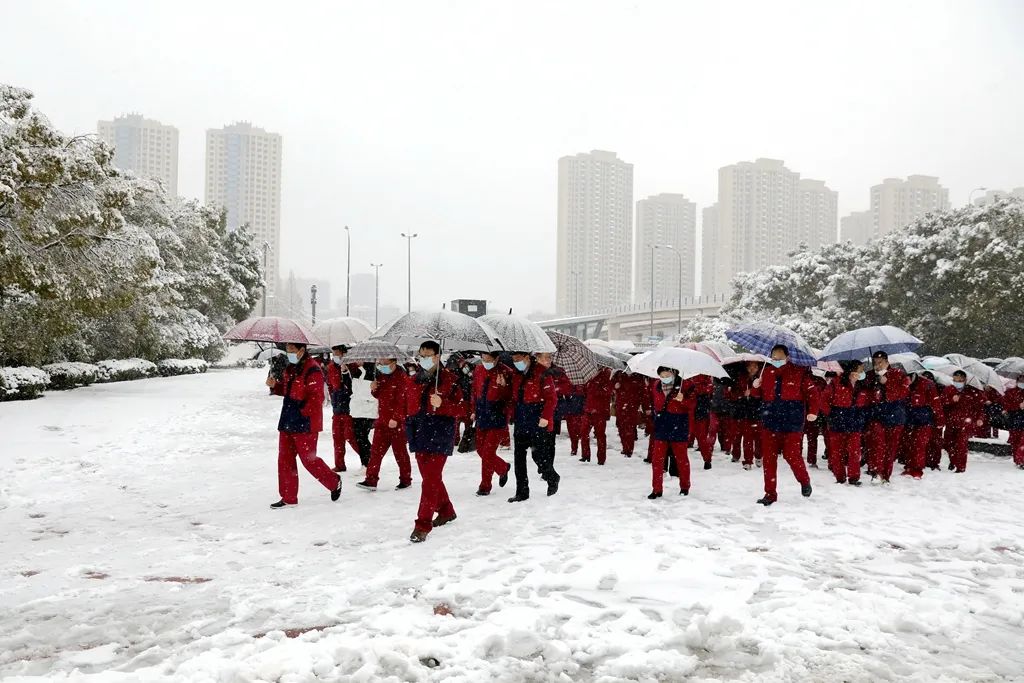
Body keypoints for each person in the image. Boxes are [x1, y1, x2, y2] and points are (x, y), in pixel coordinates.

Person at [265, 342, 342, 509]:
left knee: (309, 460)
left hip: (305, 423)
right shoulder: (290, 368)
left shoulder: (312, 369)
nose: (289, 353)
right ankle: (288, 497)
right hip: (287, 420)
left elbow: (316, 398)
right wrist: (275, 386)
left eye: (292, 350)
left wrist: (300, 409)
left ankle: (333, 481)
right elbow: (286, 390)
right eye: (287, 350)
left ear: (301, 350)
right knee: (285, 460)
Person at [405, 341, 466, 543]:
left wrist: (443, 404)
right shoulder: (414, 380)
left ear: (438, 356)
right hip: (419, 433)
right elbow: (410, 407)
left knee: (430, 481)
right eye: (420, 353)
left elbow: (463, 409)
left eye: (427, 354)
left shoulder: (450, 380)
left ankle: (422, 525)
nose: (423, 357)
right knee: (431, 478)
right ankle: (446, 510)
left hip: (440, 434)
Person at [751, 345, 819, 506]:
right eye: (774, 356)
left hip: (792, 420)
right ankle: (770, 493)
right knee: (769, 459)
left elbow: (812, 393)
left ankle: (804, 481)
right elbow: (757, 396)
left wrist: (813, 411)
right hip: (770, 419)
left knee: (791, 455)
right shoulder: (766, 372)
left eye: (780, 356)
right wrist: (755, 387)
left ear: (787, 357)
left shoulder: (799, 371)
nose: (776, 359)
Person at [508, 351, 559, 502]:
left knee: (538, 456)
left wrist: (545, 417)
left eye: (518, 359)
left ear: (526, 358)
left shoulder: (542, 373)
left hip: (537, 417)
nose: (516, 362)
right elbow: (514, 397)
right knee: (519, 458)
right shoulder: (515, 374)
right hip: (521, 418)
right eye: (513, 359)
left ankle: (552, 477)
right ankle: (522, 492)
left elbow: (552, 398)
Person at [358, 355, 412, 491]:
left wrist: (396, 418)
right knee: (376, 452)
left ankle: (405, 479)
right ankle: (371, 480)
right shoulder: (381, 376)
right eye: (380, 362)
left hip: (397, 423)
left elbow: (403, 401)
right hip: (382, 421)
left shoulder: (402, 378)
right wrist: (374, 388)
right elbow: (378, 395)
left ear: (393, 362)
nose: (381, 365)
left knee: (400, 453)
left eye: (384, 362)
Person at [818, 360, 869, 485]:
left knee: (854, 451)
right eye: (860, 369)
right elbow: (823, 400)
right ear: (852, 371)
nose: (862, 372)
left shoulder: (863, 385)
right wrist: (831, 415)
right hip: (837, 421)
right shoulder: (836, 383)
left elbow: (866, 403)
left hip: (855, 421)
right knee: (837, 451)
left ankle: (854, 477)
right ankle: (840, 477)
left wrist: (861, 415)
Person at [864, 351, 910, 483]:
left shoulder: (899, 375)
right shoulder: (870, 376)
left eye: (880, 362)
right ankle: (877, 472)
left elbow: (904, 393)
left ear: (887, 362)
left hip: (895, 416)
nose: (877, 365)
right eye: (875, 363)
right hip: (876, 416)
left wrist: (887, 383)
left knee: (890, 448)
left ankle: (885, 475)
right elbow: (866, 394)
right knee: (877, 445)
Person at [471, 350, 512, 496]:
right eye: (483, 359)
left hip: (498, 416)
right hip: (482, 414)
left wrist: (503, 387)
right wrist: (473, 409)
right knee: (480, 450)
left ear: (496, 359)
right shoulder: (478, 369)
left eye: (488, 359)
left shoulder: (506, 372)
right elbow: (474, 391)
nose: (485, 362)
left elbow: (510, 398)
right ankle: (502, 467)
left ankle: (485, 485)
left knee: (488, 452)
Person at [648, 367, 693, 499]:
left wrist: (683, 400)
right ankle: (656, 489)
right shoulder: (656, 385)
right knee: (657, 460)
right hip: (661, 425)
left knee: (681, 459)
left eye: (667, 374)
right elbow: (654, 402)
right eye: (662, 375)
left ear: (673, 373)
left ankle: (685, 486)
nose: (664, 377)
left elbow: (692, 405)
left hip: (678, 425)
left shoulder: (686, 385)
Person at [902, 371, 945, 479]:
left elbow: (936, 402)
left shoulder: (927, 384)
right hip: (908, 419)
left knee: (919, 445)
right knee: (909, 444)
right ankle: (909, 467)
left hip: (924, 420)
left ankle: (917, 470)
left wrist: (939, 419)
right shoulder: (903, 384)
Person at [325, 344, 362, 472]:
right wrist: (333, 397)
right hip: (337, 406)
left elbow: (355, 386)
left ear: (344, 353)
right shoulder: (330, 367)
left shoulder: (352, 366)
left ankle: (368, 459)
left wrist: (346, 372)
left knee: (350, 436)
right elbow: (330, 384)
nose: (335, 356)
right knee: (337, 437)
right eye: (333, 353)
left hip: (349, 407)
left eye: (337, 353)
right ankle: (340, 464)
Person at [941, 370, 984, 473]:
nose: (958, 381)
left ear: (965, 380)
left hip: (965, 423)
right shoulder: (948, 390)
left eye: (960, 380)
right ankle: (953, 460)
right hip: (951, 422)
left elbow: (979, 407)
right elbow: (941, 403)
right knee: (948, 444)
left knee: (961, 446)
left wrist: (980, 418)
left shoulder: (972, 392)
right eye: (955, 379)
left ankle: (961, 467)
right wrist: (951, 400)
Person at [729, 360, 764, 470]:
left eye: (755, 366)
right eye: (750, 366)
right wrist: (741, 394)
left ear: (759, 367)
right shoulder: (741, 378)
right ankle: (748, 461)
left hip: (759, 411)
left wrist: (754, 392)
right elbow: (734, 394)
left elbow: (766, 394)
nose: (752, 369)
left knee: (759, 438)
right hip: (744, 411)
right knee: (747, 437)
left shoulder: (762, 377)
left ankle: (759, 456)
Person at [681, 373, 715, 470]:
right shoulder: (683, 374)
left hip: (699, 410)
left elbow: (709, 389)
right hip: (686, 409)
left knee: (701, 437)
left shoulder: (705, 375)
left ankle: (707, 459)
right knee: (682, 438)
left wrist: (695, 388)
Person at [580, 367, 613, 464]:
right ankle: (585, 455)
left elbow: (608, 391)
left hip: (600, 411)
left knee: (600, 435)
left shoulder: (606, 375)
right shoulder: (589, 374)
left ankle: (601, 458)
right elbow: (586, 391)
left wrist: (596, 388)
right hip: (588, 409)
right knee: (583, 432)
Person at [349, 362, 376, 468]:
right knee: (359, 437)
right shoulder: (357, 371)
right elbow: (352, 388)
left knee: (362, 437)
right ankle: (365, 462)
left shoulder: (372, 371)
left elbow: (368, 392)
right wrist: (345, 372)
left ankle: (370, 461)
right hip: (357, 410)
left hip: (368, 410)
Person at [613, 370, 644, 457]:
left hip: (632, 406)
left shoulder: (638, 376)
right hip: (621, 405)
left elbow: (642, 391)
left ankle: (629, 449)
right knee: (621, 427)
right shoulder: (619, 374)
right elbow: (611, 384)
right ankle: (624, 447)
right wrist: (615, 386)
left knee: (630, 428)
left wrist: (643, 404)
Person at [804, 373, 829, 468]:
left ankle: (812, 460)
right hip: (819, 411)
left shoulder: (804, 380)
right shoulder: (819, 380)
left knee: (811, 437)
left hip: (811, 411)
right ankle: (829, 457)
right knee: (824, 436)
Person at [1001, 378, 1024, 469]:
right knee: (1015, 442)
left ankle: (1021, 460)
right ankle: (1017, 459)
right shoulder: (1010, 392)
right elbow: (1005, 405)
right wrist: (1018, 405)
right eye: (1021, 380)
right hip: (1014, 420)